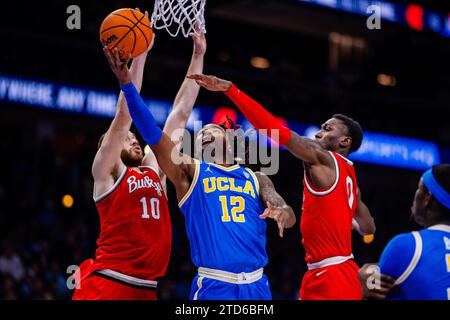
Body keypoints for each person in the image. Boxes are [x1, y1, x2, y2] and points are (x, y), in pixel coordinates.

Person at [106, 40, 296, 301]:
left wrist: (283, 212)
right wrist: (127, 85)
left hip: (257, 285)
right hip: (214, 285)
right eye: (202, 134)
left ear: (230, 141)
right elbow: (153, 132)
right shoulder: (190, 172)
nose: (205, 134)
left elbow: (283, 206)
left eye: (212, 130)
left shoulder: (257, 177)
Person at [186, 74, 376, 300]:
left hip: (330, 275)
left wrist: (231, 90)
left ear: (345, 141)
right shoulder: (351, 181)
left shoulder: (321, 157)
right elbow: (368, 228)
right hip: (341, 271)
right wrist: (345, 219)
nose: (317, 133)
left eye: (326, 129)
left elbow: (272, 129)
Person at [72, 18, 208, 300]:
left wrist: (198, 56)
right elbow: (124, 117)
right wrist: (141, 53)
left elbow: (180, 113)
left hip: (146, 289)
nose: (134, 138)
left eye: (136, 137)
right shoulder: (106, 171)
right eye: (127, 138)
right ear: (107, 146)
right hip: (109, 282)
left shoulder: (153, 170)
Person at [359, 164, 450, 300]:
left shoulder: (407, 245)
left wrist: (359, 285)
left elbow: (371, 290)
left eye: (419, 188)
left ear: (427, 198)